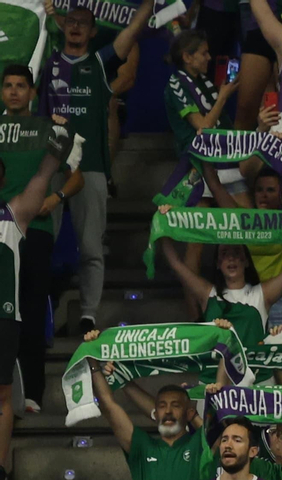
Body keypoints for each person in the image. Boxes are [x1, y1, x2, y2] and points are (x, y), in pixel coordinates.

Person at [42, 0, 153, 335]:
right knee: (40, 243)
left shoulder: (100, 63)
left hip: (89, 166)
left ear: (93, 31)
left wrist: (148, 6)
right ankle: (40, 305)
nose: (75, 26)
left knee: (91, 247)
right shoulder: (47, 62)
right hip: (49, 167)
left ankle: (88, 315)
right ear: (63, 25)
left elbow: (132, 30)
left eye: (83, 22)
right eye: (70, 21)